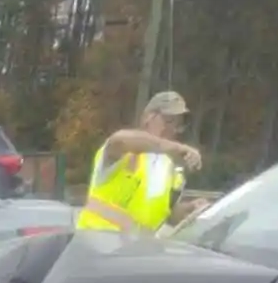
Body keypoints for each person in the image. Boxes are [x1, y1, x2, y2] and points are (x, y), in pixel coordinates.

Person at [77, 91, 207, 235]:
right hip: (95, 246)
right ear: (147, 118)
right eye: (169, 120)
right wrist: (175, 147)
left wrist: (189, 209)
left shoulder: (170, 169)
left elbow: (165, 215)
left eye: (179, 125)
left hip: (136, 252)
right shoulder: (126, 150)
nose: (173, 129)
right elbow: (119, 140)